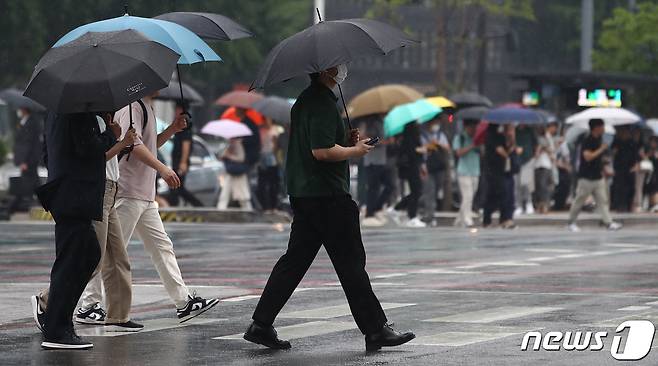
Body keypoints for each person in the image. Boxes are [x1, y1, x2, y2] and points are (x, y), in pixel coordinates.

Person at [244, 65, 415, 351]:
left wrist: (345, 142)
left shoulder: (304, 100)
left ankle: (261, 324)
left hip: (305, 193)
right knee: (351, 264)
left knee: (294, 262)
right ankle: (376, 330)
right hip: (328, 195)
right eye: (338, 66)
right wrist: (355, 151)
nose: (343, 70)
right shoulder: (321, 103)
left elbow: (320, 144)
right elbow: (321, 152)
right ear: (326, 71)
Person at [32, 113, 142, 333]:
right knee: (90, 257)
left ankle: (118, 315)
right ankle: (47, 301)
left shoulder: (98, 118)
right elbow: (95, 155)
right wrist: (119, 140)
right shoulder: (81, 117)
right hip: (93, 191)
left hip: (109, 189)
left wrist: (120, 141)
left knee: (118, 257)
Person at [114, 95, 219, 322]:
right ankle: (87, 303)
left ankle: (183, 302)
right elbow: (132, 145)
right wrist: (163, 168)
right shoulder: (130, 107)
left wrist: (172, 128)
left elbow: (150, 145)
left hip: (145, 193)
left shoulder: (147, 108)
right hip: (128, 191)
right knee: (110, 252)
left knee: (162, 247)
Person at [567, 119, 623, 232]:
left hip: (598, 176)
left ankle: (608, 222)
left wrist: (604, 164)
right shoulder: (587, 140)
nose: (603, 129)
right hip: (586, 177)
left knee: (603, 201)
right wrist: (601, 148)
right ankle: (571, 222)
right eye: (602, 127)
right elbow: (588, 157)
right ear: (596, 128)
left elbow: (598, 158)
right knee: (580, 200)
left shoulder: (599, 139)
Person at [483, 124, 519, 229]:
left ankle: (507, 219)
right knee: (495, 196)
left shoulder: (507, 138)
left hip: (508, 171)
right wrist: (510, 150)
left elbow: (511, 150)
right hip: (495, 171)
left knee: (509, 195)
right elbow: (501, 151)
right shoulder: (492, 136)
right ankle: (488, 219)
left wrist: (512, 140)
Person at [361, 115, 394, 227]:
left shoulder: (383, 122)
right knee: (373, 188)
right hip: (372, 161)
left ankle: (376, 208)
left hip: (381, 161)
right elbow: (369, 141)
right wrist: (385, 142)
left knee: (390, 185)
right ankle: (369, 213)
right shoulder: (371, 123)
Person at [169, 102, 203, 207]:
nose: (175, 111)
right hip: (176, 160)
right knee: (178, 188)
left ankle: (198, 205)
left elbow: (186, 144)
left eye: (178, 109)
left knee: (177, 188)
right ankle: (196, 205)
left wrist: (183, 162)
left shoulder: (185, 125)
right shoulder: (178, 123)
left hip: (180, 161)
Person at [11, 107, 43, 213]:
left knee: (29, 181)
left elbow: (26, 144)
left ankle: (18, 202)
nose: (18, 111)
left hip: (29, 159)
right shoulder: (25, 122)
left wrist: (23, 161)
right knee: (34, 181)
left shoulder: (31, 123)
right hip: (30, 159)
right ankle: (40, 200)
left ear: (25, 110)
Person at [395, 122, 426, 228]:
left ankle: (398, 208)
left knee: (416, 191)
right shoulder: (408, 136)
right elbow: (410, 151)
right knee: (416, 190)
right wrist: (420, 150)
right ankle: (411, 216)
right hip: (410, 167)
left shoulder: (415, 134)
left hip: (414, 166)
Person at [421, 117, 450, 226]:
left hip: (439, 167)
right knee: (430, 191)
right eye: (434, 123)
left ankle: (429, 212)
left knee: (436, 190)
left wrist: (437, 144)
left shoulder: (440, 135)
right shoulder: (423, 136)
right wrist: (428, 146)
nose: (435, 125)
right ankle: (430, 216)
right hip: (427, 167)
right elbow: (420, 149)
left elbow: (447, 148)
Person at [453, 119, 480, 227]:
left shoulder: (477, 138)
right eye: (472, 127)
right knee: (467, 195)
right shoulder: (460, 138)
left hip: (475, 170)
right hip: (463, 171)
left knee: (471, 195)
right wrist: (471, 146)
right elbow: (458, 152)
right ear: (466, 127)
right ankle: (467, 218)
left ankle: (459, 219)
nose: (474, 130)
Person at [218, 137, 252, 210]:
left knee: (243, 197)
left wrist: (229, 156)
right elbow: (223, 157)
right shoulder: (230, 146)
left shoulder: (238, 145)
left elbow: (241, 158)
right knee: (224, 195)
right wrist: (225, 155)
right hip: (230, 173)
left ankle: (248, 212)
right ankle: (221, 210)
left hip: (239, 175)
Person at [610, 127, 639, 212]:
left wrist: (636, 165)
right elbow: (613, 153)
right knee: (619, 187)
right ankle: (619, 205)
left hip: (630, 168)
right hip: (619, 168)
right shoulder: (617, 141)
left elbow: (636, 156)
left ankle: (629, 205)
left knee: (630, 188)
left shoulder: (632, 142)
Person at [257, 117, 281, 213]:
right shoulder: (260, 130)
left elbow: (276, 146)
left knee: (273, 184)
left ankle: (273, 206)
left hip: (272, 157)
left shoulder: (275, 130)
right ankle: (265, 206)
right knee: (262, 183)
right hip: (262, 156)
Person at [534, 122, 558, 214]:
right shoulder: (541, 138)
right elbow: (540, 150)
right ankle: (541, 205)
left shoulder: (548, 138)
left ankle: (544, 205)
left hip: (547, 164)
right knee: (541, 186)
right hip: (541, 164)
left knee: (545, 186)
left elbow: (550, 150)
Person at [515, 124, 537, 215]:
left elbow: (536, 143)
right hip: (516, 159)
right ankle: (518, 205)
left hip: (528, 159)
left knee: (526, 182)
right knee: (517, 184)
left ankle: (529, 203)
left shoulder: (530, 130)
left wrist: (534, 155)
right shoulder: (514, 130)